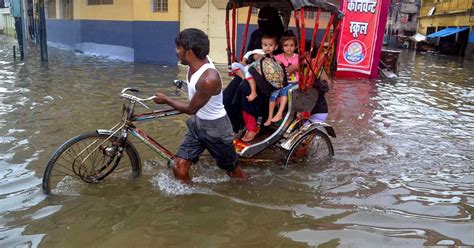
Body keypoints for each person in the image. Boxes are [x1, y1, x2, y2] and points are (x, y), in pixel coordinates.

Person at [153, 28, 248, 183]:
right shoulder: (195, 62)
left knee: (233, 172)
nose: (176, 51)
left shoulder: (208, 79)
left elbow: (191, 109)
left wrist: (166, 100)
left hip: (216, 130)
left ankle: (248, 188)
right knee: (179, 168)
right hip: (198, 124)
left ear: (189, 52)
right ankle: (191, 200)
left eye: (179, 48)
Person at [223, 6, 284, 142]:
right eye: (260, 21)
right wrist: (253, 58)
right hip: (252, 70)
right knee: (227, 94)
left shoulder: (281, 36)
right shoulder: (256, 34)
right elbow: (248, 54)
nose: (261, 24)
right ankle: (232, 124)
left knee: (244, 87)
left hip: (270, 75)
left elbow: (282, 59)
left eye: (265, 21)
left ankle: (253, 126)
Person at [232, 35, 279, 104]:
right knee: (234, 65)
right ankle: (243, 78)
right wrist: (244, 61)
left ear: (276, 47)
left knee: (249, 71)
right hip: (246, 67)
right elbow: (248, 53)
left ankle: (253, 92)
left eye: (271, 45)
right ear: (262, 46)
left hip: (253, 71)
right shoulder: (258, 51)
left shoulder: (274, 57)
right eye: (265, 45)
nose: (267, 47)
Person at [264, 34, 299, 126]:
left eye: (292, 45)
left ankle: (279, 114)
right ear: (282, 47)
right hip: (282, 82)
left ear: (295, 47)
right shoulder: (278, 57)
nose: (289, 48)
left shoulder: (298, 58)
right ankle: (269, 117)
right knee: (273, 94)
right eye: (286, 45)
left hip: (295, 82)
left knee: (284, 91)